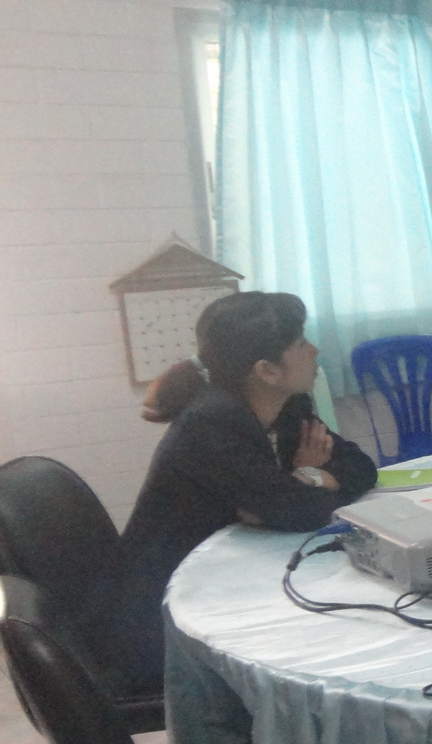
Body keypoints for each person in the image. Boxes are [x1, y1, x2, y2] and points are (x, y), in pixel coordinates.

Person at [81, 292, 376, 691]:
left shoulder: (289, 405)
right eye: (301, 343)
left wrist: (308, 476)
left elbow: (360, 466)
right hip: (160, 624)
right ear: (266, 370)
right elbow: (299, 513)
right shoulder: (212, 423)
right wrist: (297, 488)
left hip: (228, 584)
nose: (315, 350)